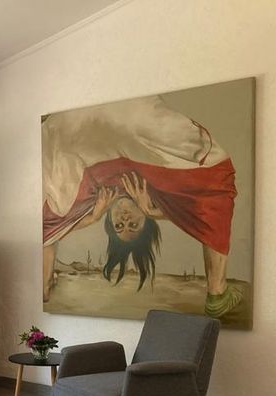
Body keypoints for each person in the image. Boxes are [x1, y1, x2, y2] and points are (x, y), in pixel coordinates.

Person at [42, 94, 242, 318]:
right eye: (133, 225)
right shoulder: (161, 192)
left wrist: (92, 218)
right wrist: (157, 212)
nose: (125, 219)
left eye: (119, 225)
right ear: (144, 218)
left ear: (109, 219)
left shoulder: (91, 196)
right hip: (140, 126)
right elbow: (215, 199)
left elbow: (43, 231)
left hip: (73, 131)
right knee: (217, 182)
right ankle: (217, 292)